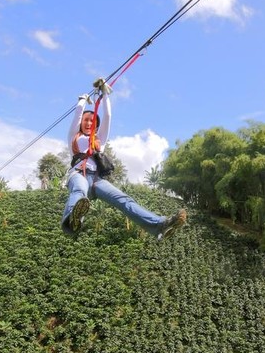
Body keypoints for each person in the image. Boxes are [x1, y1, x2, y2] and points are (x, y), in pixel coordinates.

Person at [61, 78, 186, 239]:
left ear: (96, 127)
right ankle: (72, 220)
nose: (88, 122)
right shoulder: (74, 137)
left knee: (123, 200)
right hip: (78, 174)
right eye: (86, 120)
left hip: (97, 180)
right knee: (79, 189)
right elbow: (77, 116)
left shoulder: (100, 140)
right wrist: (82, 102)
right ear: (81, 123)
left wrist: (105, 94)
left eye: (92, 121)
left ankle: (160, 226)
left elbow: (107, 116)